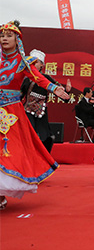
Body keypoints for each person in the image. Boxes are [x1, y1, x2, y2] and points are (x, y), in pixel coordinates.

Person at [0, 21, 69, 210]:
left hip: (11, 113)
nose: (4, 39)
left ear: (17, 39)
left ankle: (1, 192)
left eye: (9, 35)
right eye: (2, 35)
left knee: (9, 149)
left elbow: (39, 78)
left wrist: (55, 89)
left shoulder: (24, 62)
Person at [21, 49, 71, 152]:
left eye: (37, 62)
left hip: (41, 113)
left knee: (46, 137)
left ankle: (44, 158)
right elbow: (20, 95)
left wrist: (67, 92)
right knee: (28, 135)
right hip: (28, 111)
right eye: (32, 62)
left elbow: (59, 91)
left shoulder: (47, 78)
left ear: (42, 65)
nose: (34, 64)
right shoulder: (25, 79)